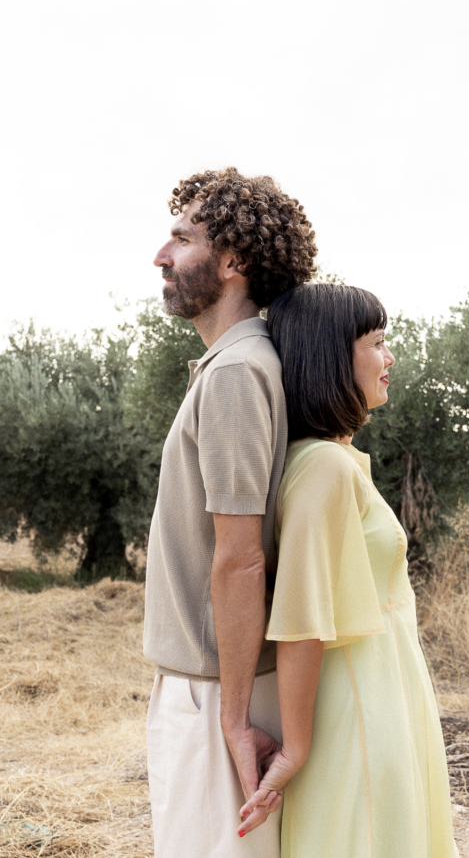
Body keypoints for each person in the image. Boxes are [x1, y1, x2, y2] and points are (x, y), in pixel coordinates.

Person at [238, 283, 460, 858]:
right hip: (359, 712)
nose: (390, 359)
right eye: (378, 343)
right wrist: (297, 750)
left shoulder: (335, 463)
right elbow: (302, 618)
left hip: (387, 694)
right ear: (334, 356)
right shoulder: (324, 468)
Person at [143, 167, 317, 858]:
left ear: (234, 260)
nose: (161, 255)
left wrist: (235, 719)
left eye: (181, 239)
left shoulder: (239, 374)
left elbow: (242, 557)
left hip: (215, 694)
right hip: (209, 687)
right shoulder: (232, 366)